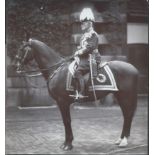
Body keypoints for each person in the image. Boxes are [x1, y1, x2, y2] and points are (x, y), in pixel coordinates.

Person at [73, 8, 101, 99]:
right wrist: (77, 52)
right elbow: (82, 46)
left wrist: (79, 52)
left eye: (84, 23)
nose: (82, 25)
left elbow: (89, 48)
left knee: (78, 72)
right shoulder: (84, 35)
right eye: (82, 23)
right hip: (84, 58)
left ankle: (82, 92)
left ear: (89, 23)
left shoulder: (93, 34)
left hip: (91, 58)